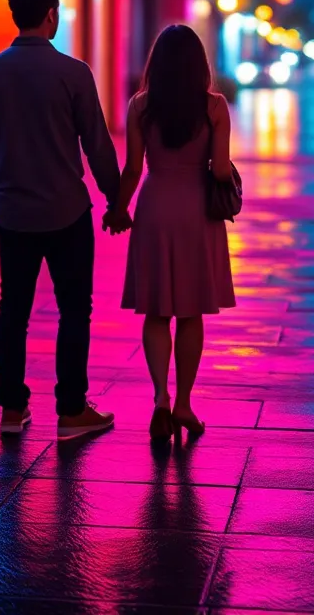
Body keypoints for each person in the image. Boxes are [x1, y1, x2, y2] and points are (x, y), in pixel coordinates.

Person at [0, 0, 126, 439]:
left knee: (12, 309)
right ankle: (71, 410)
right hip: (67, 212)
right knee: (74, 309)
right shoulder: (73, 73)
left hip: (13, 212)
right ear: (51, 15)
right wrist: (115, 200)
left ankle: (12, 409)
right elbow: (97, 145)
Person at [111, 25, 236, 443]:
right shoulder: (214, 106)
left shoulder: (140, 105)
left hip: (155, 206)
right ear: (199, 64)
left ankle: (160, 399)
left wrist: (118, 208)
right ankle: (183, 402)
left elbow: (132, 168)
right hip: (197, 212)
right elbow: (220, 169)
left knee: (156, 310)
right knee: (190, 311)